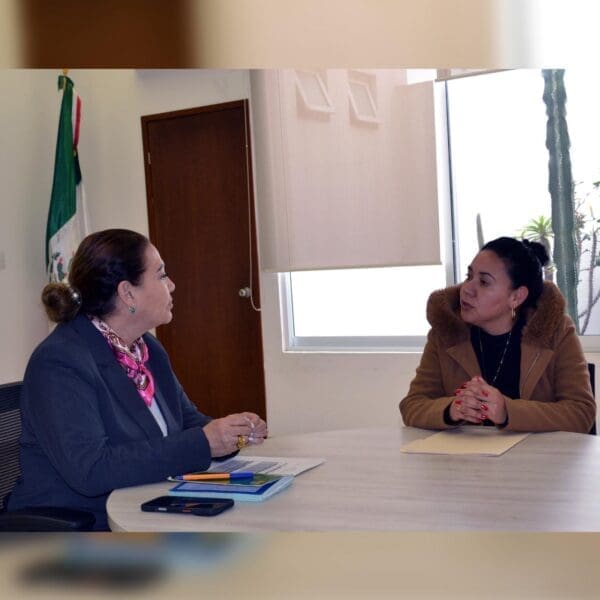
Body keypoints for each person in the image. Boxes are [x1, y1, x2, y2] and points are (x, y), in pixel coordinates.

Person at [8, 229, 267, 530]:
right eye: (161, 275)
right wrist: (204, 443)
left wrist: (231, 434)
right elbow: (92, 470)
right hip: (81, 526)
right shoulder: (60, 361)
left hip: (150, 505)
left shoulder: (146, 349)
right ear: (127, 293)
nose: (172, 285)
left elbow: (186, 422)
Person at [400, 236, 596, 433]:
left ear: (516, 297)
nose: (466, 289)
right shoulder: (446, 331)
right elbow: (413, 405)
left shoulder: (555, 330)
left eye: (484, 282)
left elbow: (581, 413)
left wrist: (508, 411)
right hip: (467, 452)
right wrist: (452, 409)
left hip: (538, 453)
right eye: (469, 276)